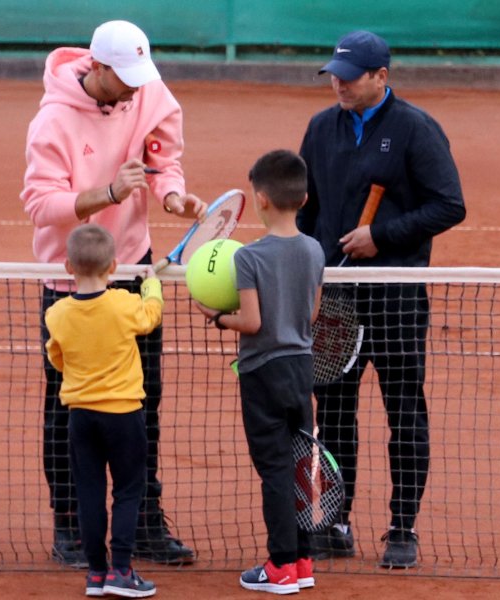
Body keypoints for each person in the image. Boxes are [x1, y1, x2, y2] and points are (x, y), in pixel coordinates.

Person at [20, 19, 203, 568]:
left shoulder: (149, 91)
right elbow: (40, 203)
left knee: (143, 402)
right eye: (123, 77)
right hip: (69, 280)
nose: (133, 87)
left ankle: (144, 520)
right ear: (96, 68)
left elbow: (161, 159)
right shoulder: (50, 121)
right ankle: (71, 527)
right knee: (67, 409)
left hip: (134, 273)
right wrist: (107, 193)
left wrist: (172, 196)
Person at [297, 30, 466, 569]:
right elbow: (307, 210)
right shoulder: (321, 129)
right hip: (337, 300)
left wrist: (383, 237)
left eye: (350, 77)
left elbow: (449, 205)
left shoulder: (416, 129)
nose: (339, 84)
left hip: (394, 296)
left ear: (381, 77)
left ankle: (402, 528)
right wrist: (311, 268)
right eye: (335, 76)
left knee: (404, 413)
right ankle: (337, 519)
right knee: (337, 413)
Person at [195, 150, 326, 594]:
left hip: (262, 374)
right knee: (298, 466)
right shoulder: (314, 249)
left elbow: (251, 323)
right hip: (301, 369)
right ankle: (304, 559)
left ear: (263, 200)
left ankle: (280, 567)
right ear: (304, 198)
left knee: (273, 469)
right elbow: (310, 314)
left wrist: (216, 315)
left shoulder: (248, 259)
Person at [45, 224, 163, 597]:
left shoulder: (58, 314)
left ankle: (96, 573)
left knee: (90, 492)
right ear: (114, 266)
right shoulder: (124, 304)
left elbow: (58, 359)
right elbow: (151, 316)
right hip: (124, 416)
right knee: (129, 490)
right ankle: (122, 571)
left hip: (81, 418)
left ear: (68, 267)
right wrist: (152, 283)